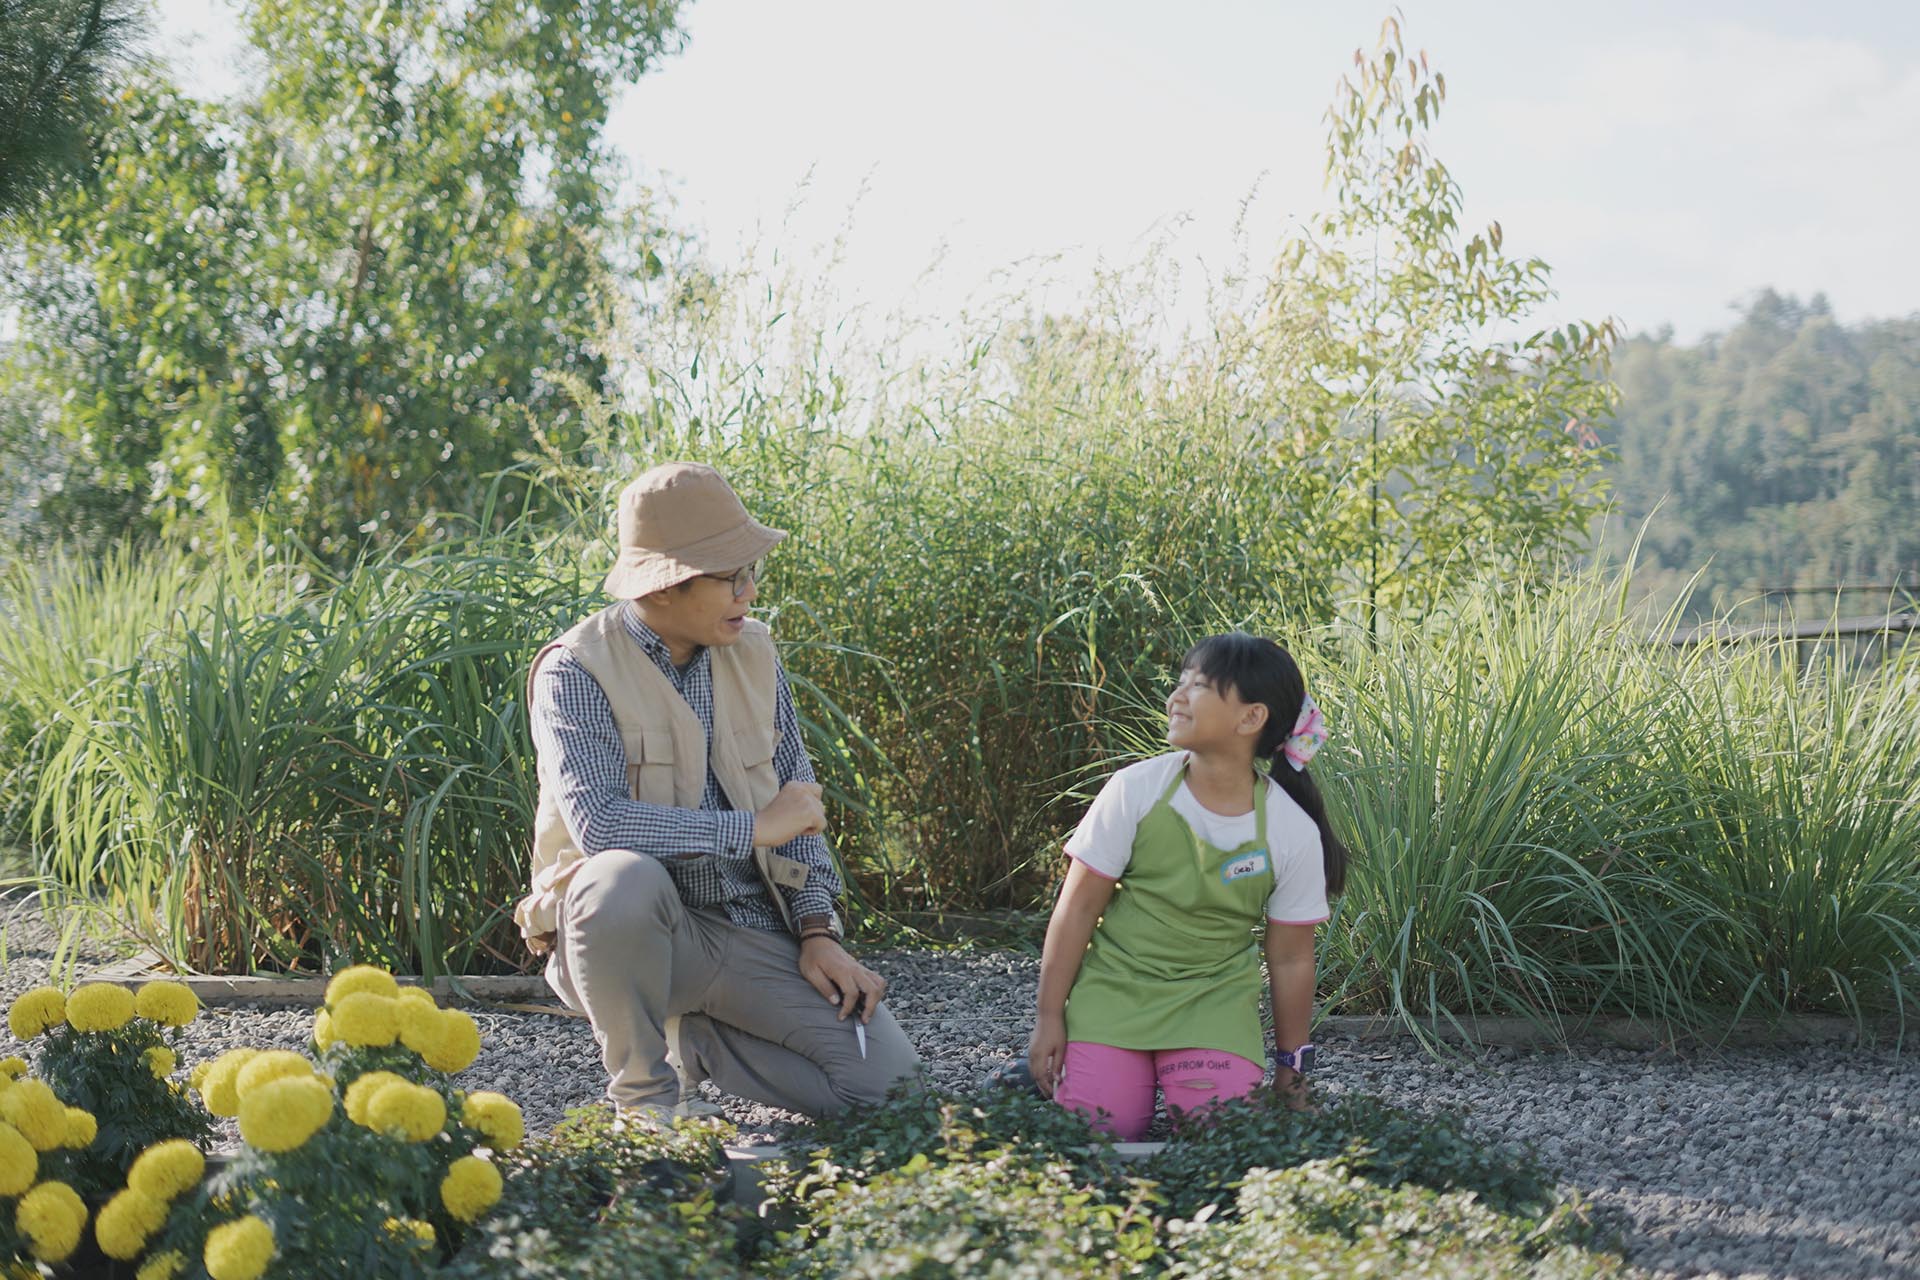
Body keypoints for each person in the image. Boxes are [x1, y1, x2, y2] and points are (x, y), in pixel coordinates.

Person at [518, 461, 921, 1123]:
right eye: (731, 577)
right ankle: (645, 1106)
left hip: (750, 930)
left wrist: (817, 932)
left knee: (895, 1097)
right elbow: (602, 828)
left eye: (751, 573)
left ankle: (698, 1042)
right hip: (635, 941)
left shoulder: (755, 651)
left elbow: (800, 809)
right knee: (619, 879)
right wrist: (749, 829)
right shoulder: (576, 668)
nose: (750, 592)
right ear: (667, 585)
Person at [1023, 632, 1349, 1141]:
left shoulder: (1291, 831)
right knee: (1100, 1133)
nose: (1175, 697)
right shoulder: (1135, 790)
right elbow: (1077, 910)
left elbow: (1290, 959)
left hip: (1212, 1005)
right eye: (1181, 682)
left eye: (1198, 687)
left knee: (1218, 1135)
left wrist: (1292, 1066)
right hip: (1113, 994)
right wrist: (1048, 1018)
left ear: (1250, 718)